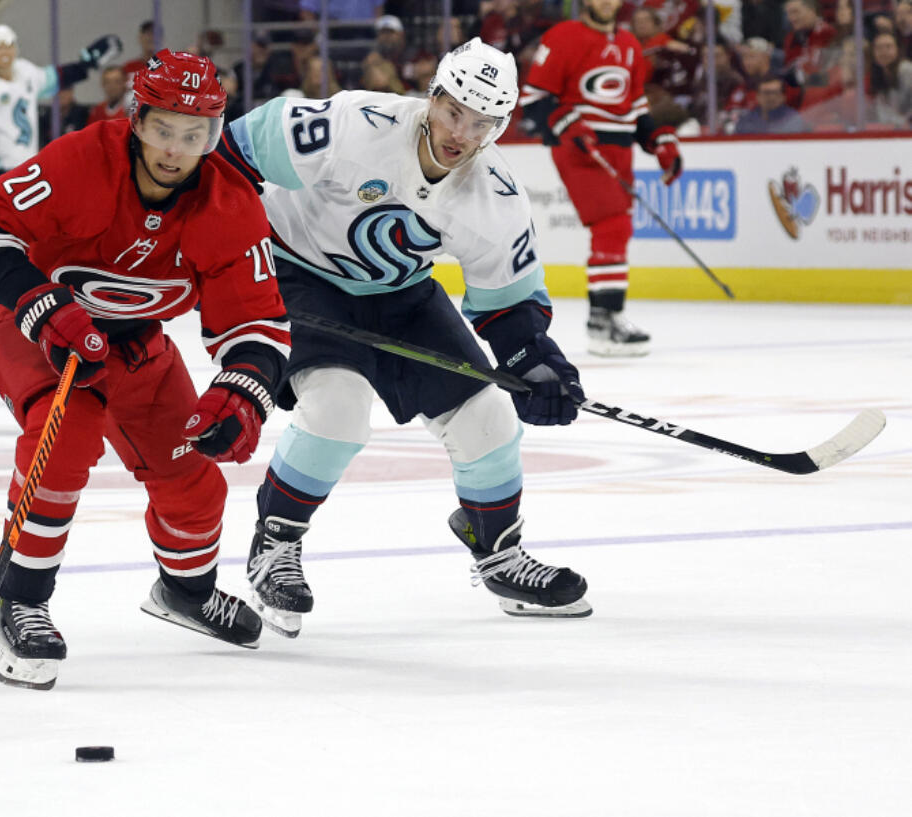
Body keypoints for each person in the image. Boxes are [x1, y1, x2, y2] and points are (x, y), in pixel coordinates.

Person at [217, 37, 591, 638]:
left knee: (488, 416)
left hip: (400, 294)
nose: (460, 134)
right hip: (298, 272)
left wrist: (537, 364)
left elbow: (510, 303)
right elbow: (236, 149)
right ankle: (275, 544)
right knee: (337, 409)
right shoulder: (357, 124)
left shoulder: (495, 193)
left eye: (482, 122)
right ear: (433, 97)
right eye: (452, 112)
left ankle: (496, 550)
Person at [0, 51, 290, 689]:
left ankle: (186, 592)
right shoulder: (81, 160)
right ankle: (23, 599)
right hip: (33, 325)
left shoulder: (230, 201)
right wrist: (41, 306)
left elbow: (258, 323)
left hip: (133, 342)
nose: (175, 150)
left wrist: (242, 392)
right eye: (164, 129)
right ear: (137, 119)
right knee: (65, 437)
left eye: (196, 136)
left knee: (193, 473)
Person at [520, 0, 684, 357]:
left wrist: (657, 140)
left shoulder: (629, 44)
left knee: (618, 225)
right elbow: (535, 98)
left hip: (619, 149)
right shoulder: (563, 36)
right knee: (611, 225)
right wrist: (567, 123)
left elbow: (635, 106)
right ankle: (604, 321)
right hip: (580, 148)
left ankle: (606, 318)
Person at [0, 24, 122, 186]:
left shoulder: (25, 72)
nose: (4, 52)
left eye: (8, 45)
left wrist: (85, 64)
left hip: (28, 171)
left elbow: (55, 78)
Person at [734, 73, 811, 132]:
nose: (771, 97)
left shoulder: (793, 119)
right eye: (766, 92)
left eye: (775, 92)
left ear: (783, 97)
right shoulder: (746, 121)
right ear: (758, 96)